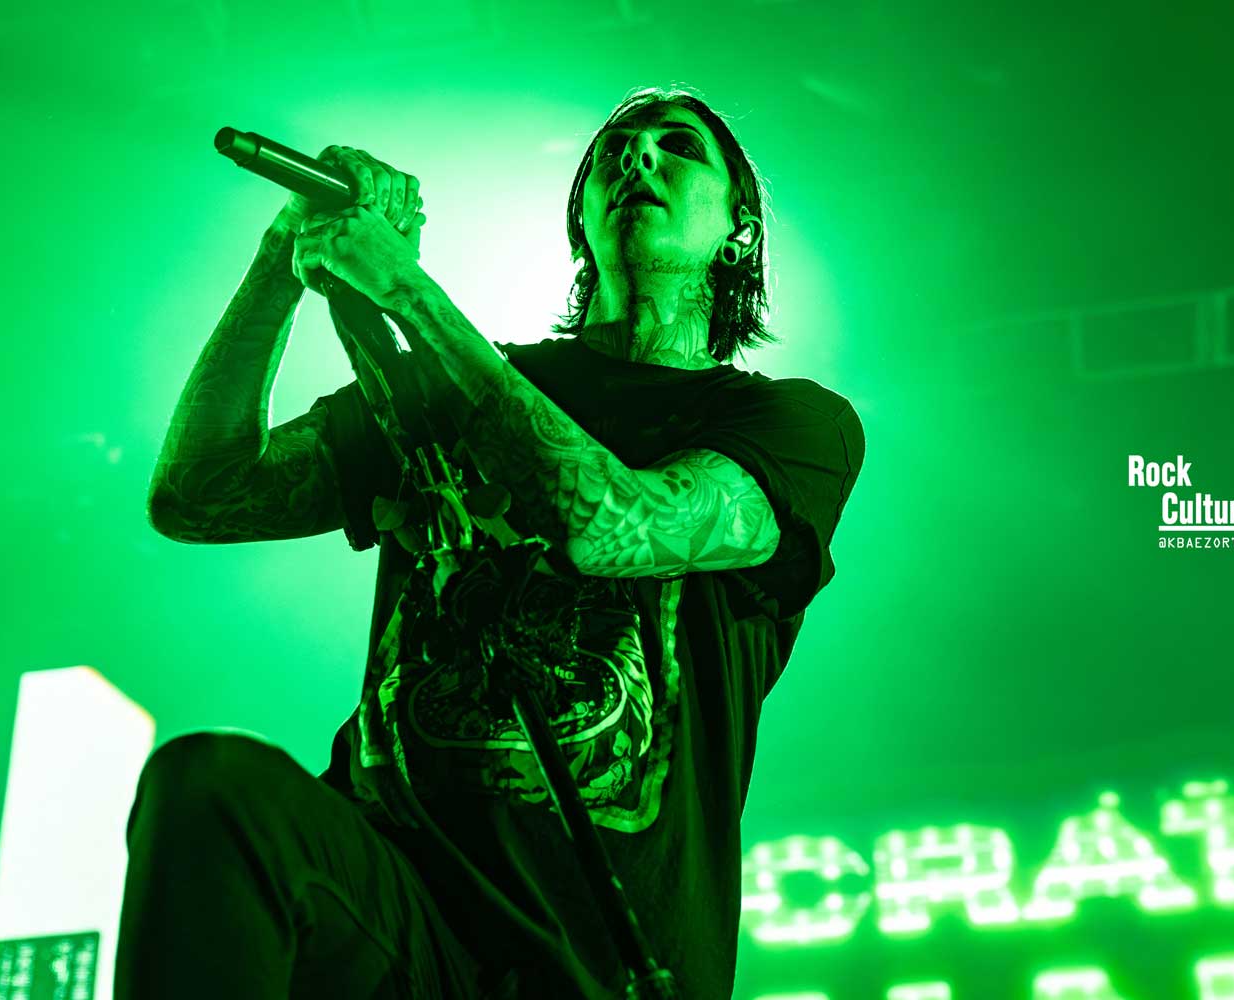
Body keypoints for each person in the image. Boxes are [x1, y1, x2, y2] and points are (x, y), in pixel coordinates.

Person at [120, 85, 866, 1000]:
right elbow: (200, 497)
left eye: (678, 147)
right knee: (213, 787)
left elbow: (612, 525)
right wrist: (284, 253)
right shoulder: (445, 387)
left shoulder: (790, 423)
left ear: (739, 232)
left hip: (593, 963)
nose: (639, 157)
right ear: (582, 222)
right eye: (613, 151)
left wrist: (403, 289)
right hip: (400, 916)